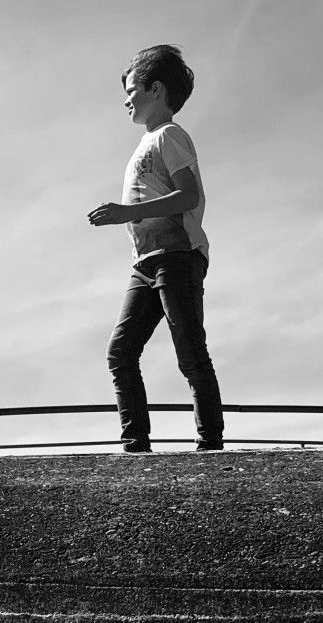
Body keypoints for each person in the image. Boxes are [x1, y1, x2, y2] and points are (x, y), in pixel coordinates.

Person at [87, 45, 223, 453]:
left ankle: (209, 443)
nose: (126, 99)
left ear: (156, 89)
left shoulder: (169, 135)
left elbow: (188, 195)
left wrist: (125, 211)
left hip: (178, 256)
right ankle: (135, 445)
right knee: (120, 351)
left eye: (132, 89)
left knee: (189, 351)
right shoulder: (146, 143)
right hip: (144, 263)